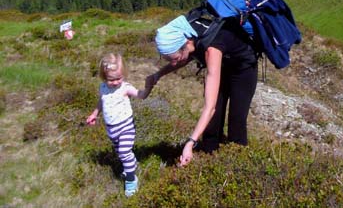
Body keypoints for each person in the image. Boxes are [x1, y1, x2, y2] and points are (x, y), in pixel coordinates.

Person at [146, 14, 258, 167]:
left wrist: (190, 142)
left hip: (243, 70)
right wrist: (158, 74)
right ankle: (209, 161)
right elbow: (184, 58)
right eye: (169, 60)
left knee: (236, 121)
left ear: (184, 44)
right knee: (213, 122)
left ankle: (239, 165)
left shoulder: (211, 48)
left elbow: (209, 107)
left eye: (175, 58)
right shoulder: (189, 36)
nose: (174, 63)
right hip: (222, 65)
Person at [86, 53, 151, 197]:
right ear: (104, 77)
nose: (115, 82)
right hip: (111, 129)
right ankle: (131, 165)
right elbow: (102, 101)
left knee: (124, 153)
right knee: (122, 154)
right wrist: (94, 114)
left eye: (118, 78)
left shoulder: (125, 88)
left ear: (124, 75)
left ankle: (131, 180)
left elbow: (140, 95)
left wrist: (147, 88)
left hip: (126, 127)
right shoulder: (103, 87)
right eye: (111, 79)